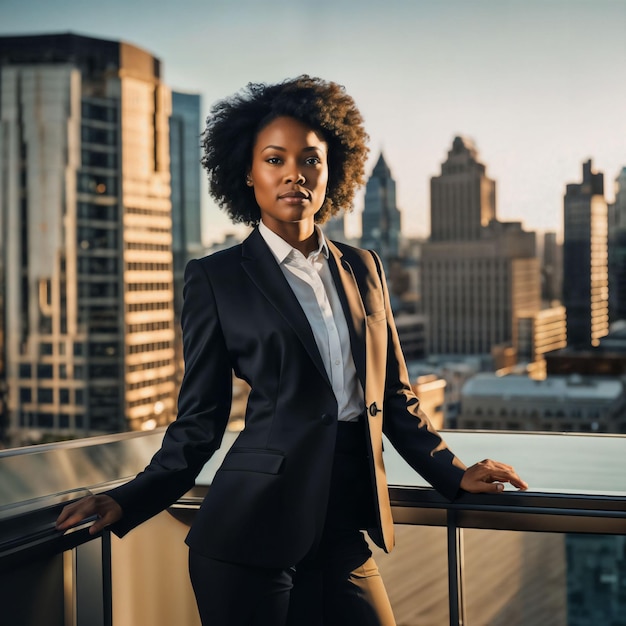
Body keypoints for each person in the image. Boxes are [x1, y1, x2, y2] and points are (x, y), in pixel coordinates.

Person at [56, 75, 528, 625]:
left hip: (344, 533)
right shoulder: (216, 278)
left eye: (310, 160)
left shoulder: (365, 267)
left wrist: (453, 473)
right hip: (248, 541)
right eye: (274, 160)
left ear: (333, 171)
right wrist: (130, 499)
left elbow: (395, 397)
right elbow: (200, 422)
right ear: (249, 173)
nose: (294, 175)